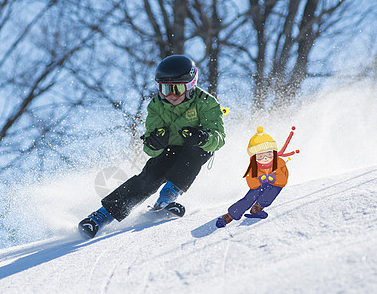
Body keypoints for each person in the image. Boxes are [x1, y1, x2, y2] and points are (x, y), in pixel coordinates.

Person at [79, 55, 226, 238]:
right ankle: (101, 216)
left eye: (177, 89)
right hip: (169, 150)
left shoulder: (206, 102)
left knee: (197, 151)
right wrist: (155, 143)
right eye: (165, 89)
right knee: (150, 176)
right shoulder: (156, 106)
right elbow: (150, 149)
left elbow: (219, 138)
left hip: (195, 148)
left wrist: (202, 137)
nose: (171, 95)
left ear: (190, 86)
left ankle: (167, 197)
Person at [216, 126, 291, 227]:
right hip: (259, 186)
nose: (265, 158)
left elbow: (284, 179)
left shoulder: (279, 162)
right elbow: (251, 182)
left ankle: (257, 209)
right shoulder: (253, 166)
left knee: (270, 193)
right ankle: (229, 216)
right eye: (260, 156)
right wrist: (259, 179)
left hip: (274, 185)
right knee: (249, 198)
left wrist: (274, 178)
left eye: (269, 155)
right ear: (254, 157)